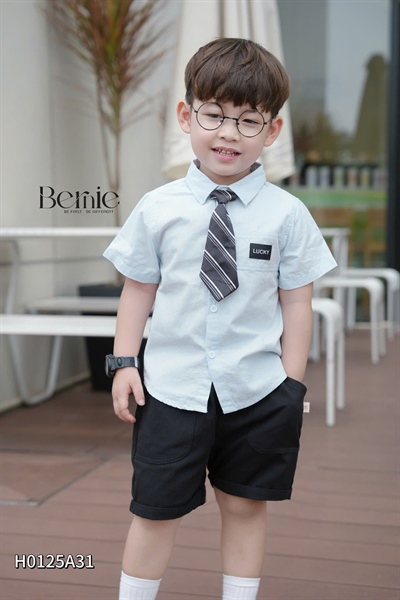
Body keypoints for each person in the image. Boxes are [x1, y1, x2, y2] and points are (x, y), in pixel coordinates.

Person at [103, 37, 337, 600]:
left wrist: (291, 385)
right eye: (214, 115)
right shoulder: (158, 208)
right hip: (170, 388)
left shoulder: (288, 215)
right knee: (154, 508)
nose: (229, 133)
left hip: (257, 390)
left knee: (245, 505)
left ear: (272, 131)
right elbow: (138, 290)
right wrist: (123, 362)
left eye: (248, 120)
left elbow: (296, 301)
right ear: (187, 116)